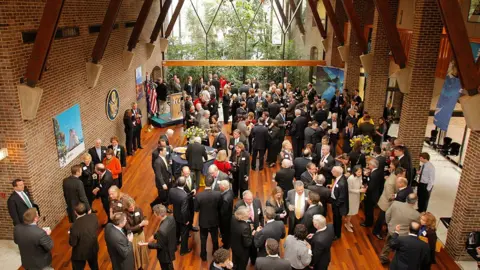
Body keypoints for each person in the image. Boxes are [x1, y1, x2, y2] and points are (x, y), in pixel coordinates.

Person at [379, 193, 421, 264]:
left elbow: (387, 214)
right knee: (399, 250)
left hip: (392, 229)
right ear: (415, 202)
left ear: (406, 198)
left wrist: (389, 223)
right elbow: (414, 226)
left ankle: (383, 257)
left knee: (388, 244)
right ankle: (395, 263)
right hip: (404, 235)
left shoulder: (395, 204)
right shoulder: (416, 214)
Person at [142, 204, 177, 270]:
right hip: (171, 247)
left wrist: (147, 244)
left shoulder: (161, 231)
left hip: (165, 255)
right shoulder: (171, 218)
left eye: (155, 213)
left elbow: (159, 245)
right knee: (170, 266)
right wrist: (154, 236)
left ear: (158, 215)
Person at [195, 177, 222, 261]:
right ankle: (216, 254)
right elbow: (220, 207)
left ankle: (203, 256)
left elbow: (196, 209)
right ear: (212, 183)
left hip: (203, 221)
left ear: (205, 183)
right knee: (214, 239)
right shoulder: (218, 194)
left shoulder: (199, 195)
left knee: (203, 239)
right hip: (214, 220)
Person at [373, 163, 401, 239]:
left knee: (384, 218)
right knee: (381, 219)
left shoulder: (394, 176)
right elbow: (390, 196)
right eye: (403, 175)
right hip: (386, 203)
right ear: (398, 174)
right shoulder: (391, 182)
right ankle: (376, 231)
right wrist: (398, 195)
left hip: (387, 203)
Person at [69, 203, 99, 270]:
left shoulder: (74, 226)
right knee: (94, 266)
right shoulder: (93, 217)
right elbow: (96, 227)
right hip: (93, 248)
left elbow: (73, 243)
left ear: (75, 212)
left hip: (81, 253)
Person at [169, 176, 192, 255]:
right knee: (184, 234)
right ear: (185, 184)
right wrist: (186, 221)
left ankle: (175, 246)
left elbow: (171, 201)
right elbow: (184, 210)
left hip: (176, 215)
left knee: (177, 231)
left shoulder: (172, 190)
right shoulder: (184, 196)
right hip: (183, 218)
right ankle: (184, 250)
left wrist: (190, 194)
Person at [123, 198, 149, 269]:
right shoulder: (124, 215)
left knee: (141, 250)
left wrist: (145, 220)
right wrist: (140, 225)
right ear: (126, 207)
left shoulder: (138, 209)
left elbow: (142, 217)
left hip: (141, 234)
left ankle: (141, 266)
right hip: (132, 237)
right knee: (134, 253)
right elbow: (128, 229)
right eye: (130, 207)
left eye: (133, 206)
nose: (133, 208)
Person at [362, 159, 384, 228]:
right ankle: (370, 221)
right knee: (370, 210)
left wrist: (365, 190)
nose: (368, 166)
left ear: (372, 165)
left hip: (371, 196)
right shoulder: (379, 172)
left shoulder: (373, 175)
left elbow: (370, 187)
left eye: (369, 164)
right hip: (376, 194)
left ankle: (368, 223)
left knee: (368, 210)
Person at [329, 166, 349, 239]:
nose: (331, 172)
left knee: (337, 220)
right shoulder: (339, 177)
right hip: (335, 201)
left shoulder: (342, 183)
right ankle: (334, 230)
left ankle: (337, 235)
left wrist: (336, 205)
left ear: (337, 173)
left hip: (338, 205)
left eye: (333, 171)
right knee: (335, 218)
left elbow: (342, 197)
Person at [344, 166, 365, 232]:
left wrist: (362, 186)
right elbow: (349, 189)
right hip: (351, 197)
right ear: (354, 171)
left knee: (353, 211)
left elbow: (360, 183)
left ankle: (348, 221)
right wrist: (359, 190)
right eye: (358, 172)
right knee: (350, 211)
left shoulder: (359, 177)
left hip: (356, 196)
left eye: (361, 172)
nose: (360, 173)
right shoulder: (350, 178)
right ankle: (347, 224)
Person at [218, 180, 234, 249]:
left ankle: (226, 245)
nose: (219, 186)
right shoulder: (230, 191)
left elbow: (222, 212)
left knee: (225, 232)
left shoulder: (225, 198)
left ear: (223, 187)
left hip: (224, 219)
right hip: (229, 216)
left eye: (220, 185)